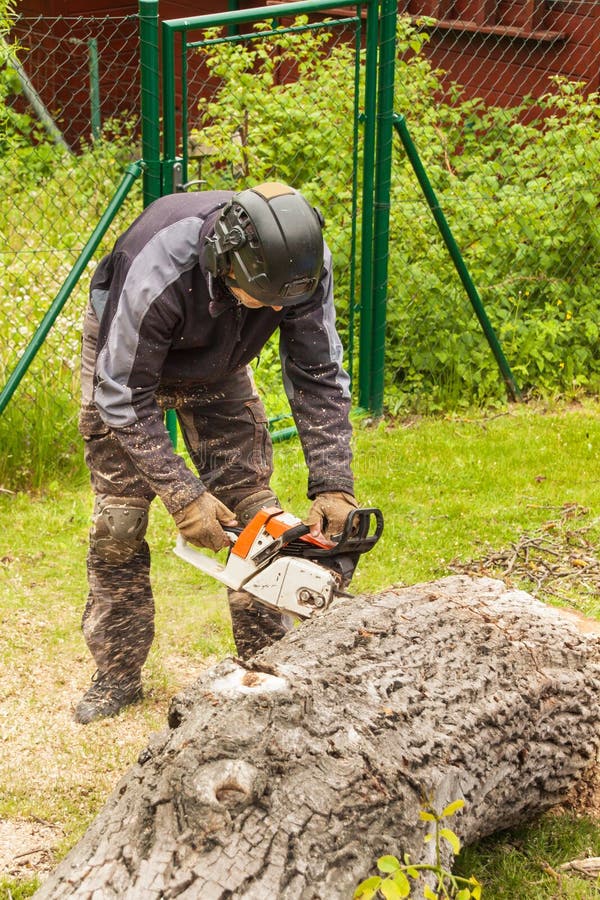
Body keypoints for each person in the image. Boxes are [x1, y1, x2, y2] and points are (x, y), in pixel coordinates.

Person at [75, 180, 357, 724]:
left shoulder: (300, 266)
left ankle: (264, 665)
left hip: (221, 365)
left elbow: (319, 372)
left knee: (257, 516)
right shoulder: (158, 264)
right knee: (119, 521)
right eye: (268, 298)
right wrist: (183, 496)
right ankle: (116, 673)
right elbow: (122, 394)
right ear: (227, 262)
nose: (278, 308)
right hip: (125, 366)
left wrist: (332, 482)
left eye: (286, 300)